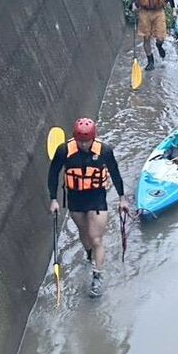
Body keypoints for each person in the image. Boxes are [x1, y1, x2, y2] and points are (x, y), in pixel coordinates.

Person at [48, 118, 130, 297]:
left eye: (87, 141)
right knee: (84, 235)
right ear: (75, 138)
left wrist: (122, 198)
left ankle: (97, 277)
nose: (84, 144)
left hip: (97, 197)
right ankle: (88, 255)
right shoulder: (64, 151)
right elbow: (53, 174)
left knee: (96, 238)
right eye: (80, 141)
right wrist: (53, 199)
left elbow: (115, 173)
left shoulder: (104, 151)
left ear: (94, 138)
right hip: (75, 199)